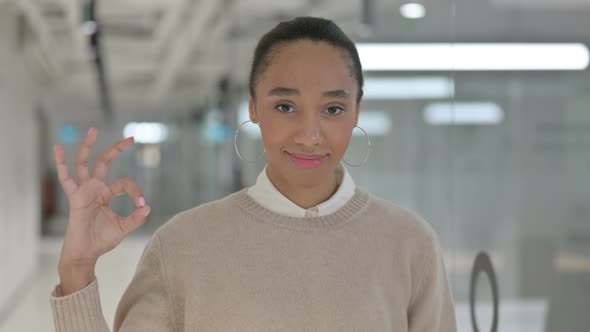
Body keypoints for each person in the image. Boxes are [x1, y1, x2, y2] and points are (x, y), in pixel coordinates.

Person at [49, 16, 457, 331]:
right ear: (253, 108)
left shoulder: (408, 244)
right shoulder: (183, 244)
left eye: (333, 108)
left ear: (356, 113)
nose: (310, 135)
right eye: (285, 106)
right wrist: (77, 272)